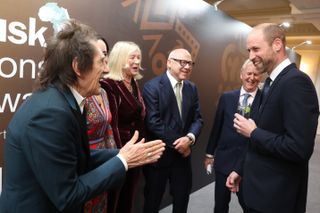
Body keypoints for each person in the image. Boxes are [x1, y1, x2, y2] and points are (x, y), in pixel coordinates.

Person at [0, 19, 165, 213]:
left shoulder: (65, 100)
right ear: (78, 67)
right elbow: (68, 195)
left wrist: (122, 154)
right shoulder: (51, 114)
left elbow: (73, 156)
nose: (106, 70)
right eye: (101, 62)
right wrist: (123, 161)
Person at [228, 23, 319, 213]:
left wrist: (253, 132)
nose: (251, 56)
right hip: (259, 192)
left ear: (277, 44)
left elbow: (298, 148)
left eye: (255, 49)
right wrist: (241, 169)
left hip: (275, 199)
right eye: (249, 50)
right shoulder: (272, 83)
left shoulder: (296, 82)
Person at [142, 48, 203, 213]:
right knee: (152, 201)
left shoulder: (192, 88)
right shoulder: (152, 87)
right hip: (159, 156)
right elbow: (154, 123)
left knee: (182, 200)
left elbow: (198, 119)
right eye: (182, 62)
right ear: (169, 63)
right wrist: (181, 143)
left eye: (190, 63)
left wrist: (189, 139)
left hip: (182, 159)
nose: (187, 67)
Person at [204, 59, 261, 213]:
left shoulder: (266, 101)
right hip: (224, 161)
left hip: (249, 164)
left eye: (256, 74)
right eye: (249, 73)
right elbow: (217, 127)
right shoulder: (227, 97)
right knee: (220, 206)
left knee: (250, 207)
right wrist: (209, 153)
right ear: (241, 75)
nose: (252, 77)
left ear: (260, 77)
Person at [100, 41, 146, 213]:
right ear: (120, 59)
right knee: (115, 199)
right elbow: (112, 125)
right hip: (119, 153)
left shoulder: (134, 83)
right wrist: (121, 154)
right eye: (132, 57)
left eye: (139, 57)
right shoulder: (109, 85)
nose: (137, 62)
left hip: (136, 151)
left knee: (129, 197)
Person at [83, 36, 116, 212]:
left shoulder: (102, 91)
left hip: (103, 161)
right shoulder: (81, 94)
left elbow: (108, 127)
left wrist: (115, 157)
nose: (105, 61)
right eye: (100, 55)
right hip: (85, 164)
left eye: (106, 54)